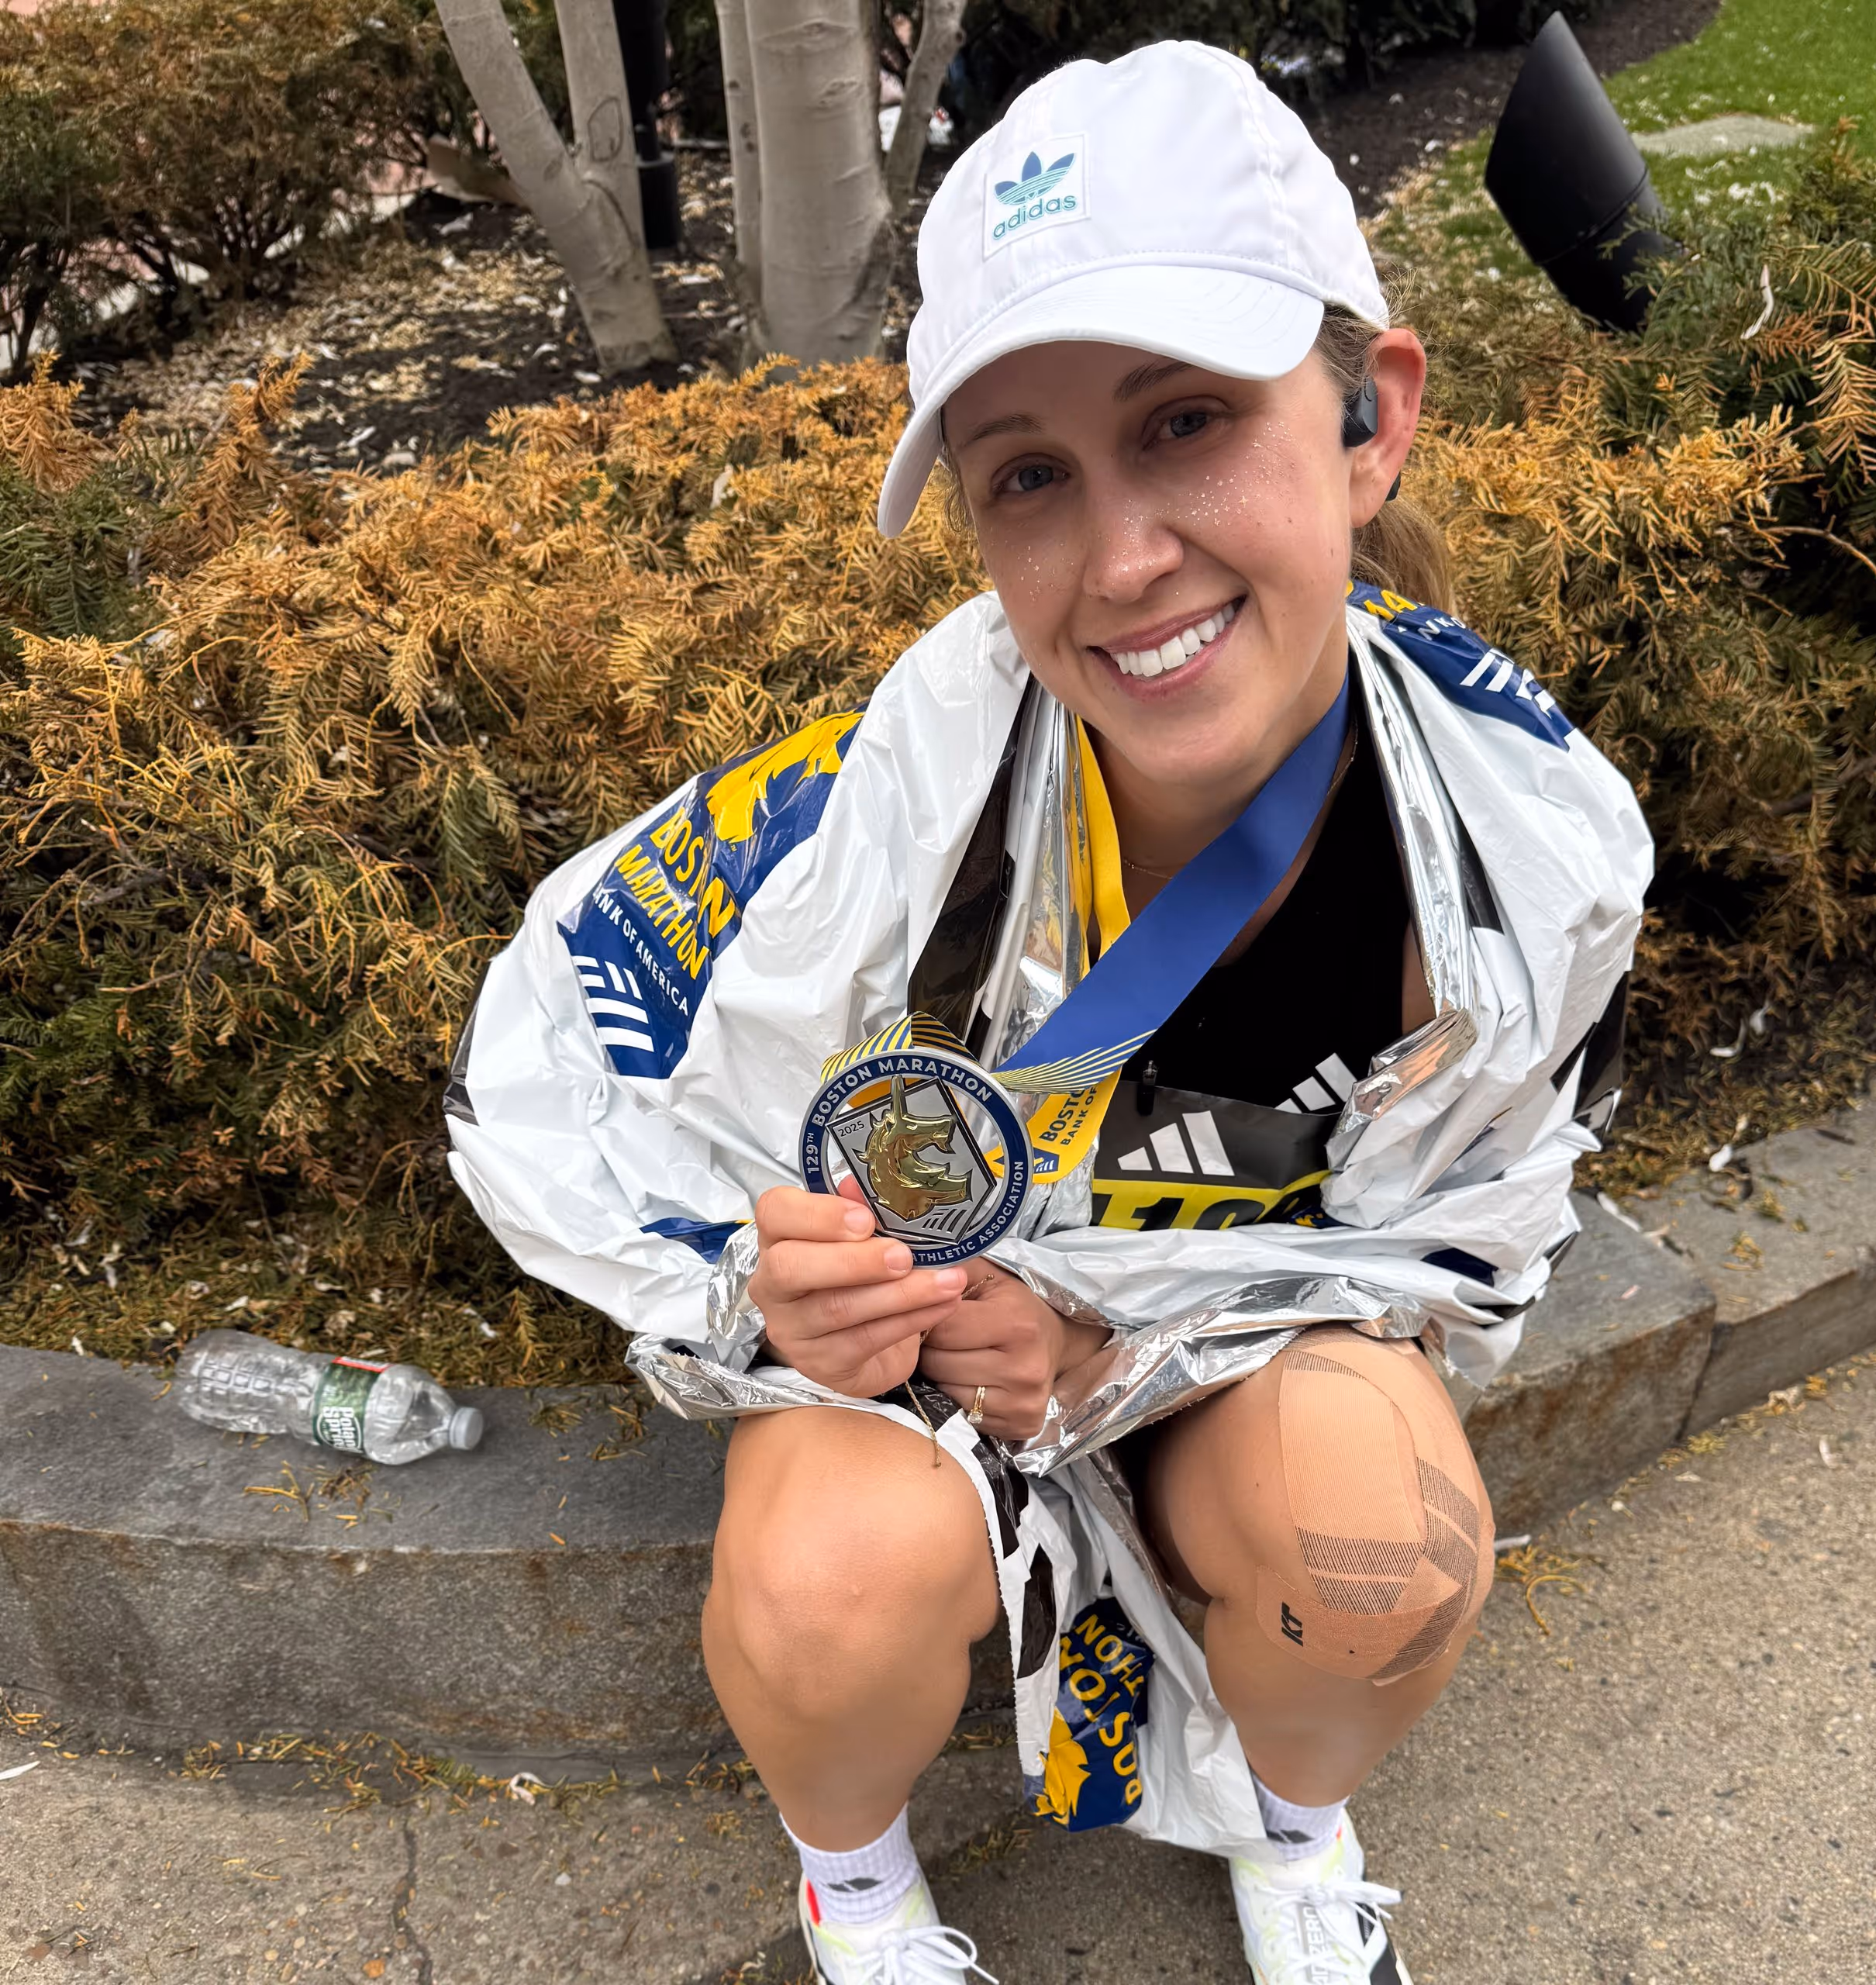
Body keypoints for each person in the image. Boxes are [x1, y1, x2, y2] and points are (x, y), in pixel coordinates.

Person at [447, 40, 1653, 1985]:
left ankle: (1288, 1821)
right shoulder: (876, 809)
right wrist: (787, 1295)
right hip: (906, 1411)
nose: (1118, 560)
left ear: (1369, 419)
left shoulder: (1525, 846)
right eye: (1030, 475)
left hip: (1221, 1383)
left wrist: (1109, 1350)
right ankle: (860, 1896)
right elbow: (576, 1079)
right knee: (830, 1579)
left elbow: (1457, 1252)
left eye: (1184, 422)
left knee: (1386, 1548)